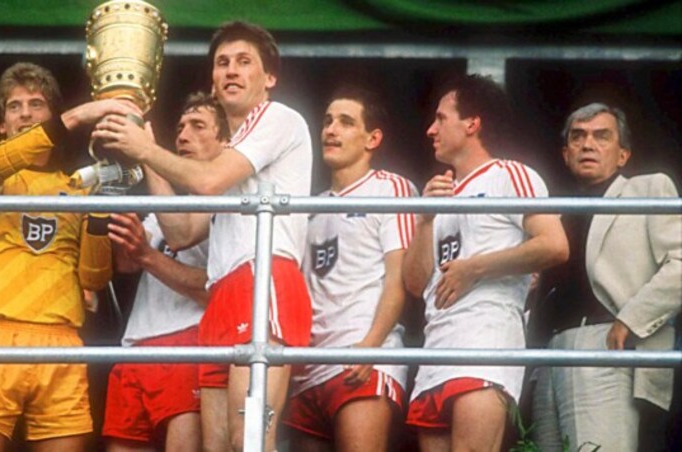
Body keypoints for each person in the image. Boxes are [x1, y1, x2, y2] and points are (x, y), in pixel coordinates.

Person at [93, 21, 313, 452]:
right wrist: (153, 159)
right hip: (222, 293)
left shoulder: (277, 117)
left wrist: (143, 149)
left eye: (244, 62)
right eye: (222, 63)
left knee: (249, 439)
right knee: (216, 447)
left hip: (262, 278)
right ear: (212, 81)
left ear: (269, 78)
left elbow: (210, 181)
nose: (231, 70)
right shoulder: (236, 148)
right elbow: (183, 230)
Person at [0, 62, 139, 452]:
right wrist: (77, 116)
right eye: (14, 106)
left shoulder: (75, 189)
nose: (25, 114)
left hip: (63, 340)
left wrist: (100, 209)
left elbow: (93, 277)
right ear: (1, 123)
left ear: (48, 114)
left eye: (36, 104)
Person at [401, 74, 569, 451]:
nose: (430, 129)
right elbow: (414, 284)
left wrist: (474, 267)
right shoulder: (438, 194)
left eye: (441, 118)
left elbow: (555, 245)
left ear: (472, 123)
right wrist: (425, 218)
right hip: (435, 351)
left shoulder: (510, 173)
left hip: (485, 341)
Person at [531, 102, 681, 451]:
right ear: (565, 153)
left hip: (605, 342)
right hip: (548, 352)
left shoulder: (648, 188)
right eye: (578, 136)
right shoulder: (552, 213)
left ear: (623, 154)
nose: (588, 145)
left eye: (602, 136)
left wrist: (630, 320)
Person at [283, 87, 416, 451]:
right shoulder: (309, 206)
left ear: (372, 138)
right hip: (309, 365)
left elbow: (398, 278)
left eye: (345, 122)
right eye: (327, 121)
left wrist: (370, 347)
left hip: (362, 358)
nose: (331, 130)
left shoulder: (391, 189)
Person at [102, 92, 228, 451]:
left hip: (186, 341)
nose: (183, 135)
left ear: (226, 141)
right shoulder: (167, 203)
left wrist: (149, 156)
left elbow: (213, 287)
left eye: (198, 126)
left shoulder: (230, 203)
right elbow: (126, 263)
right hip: (135, 345)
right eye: (180, 127)